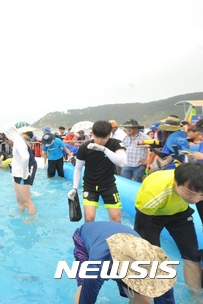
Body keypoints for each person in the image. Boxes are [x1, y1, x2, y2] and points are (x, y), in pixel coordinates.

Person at [134, 162, 203, 295]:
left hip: (179, 214)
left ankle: (196, 298)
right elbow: (141, 228)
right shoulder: (156, 191)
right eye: (189, 193)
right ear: (175, 182)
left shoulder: (198, 192)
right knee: (150, 256)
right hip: (152, 215)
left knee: (193, 256)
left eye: (200, 195)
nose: (195, 199)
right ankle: (150, 292)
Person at [72, 221, 175, 304]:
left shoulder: (160, 269)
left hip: (127, 249)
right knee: (83, 287)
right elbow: (85, 300)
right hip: (86, 240)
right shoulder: (97, 266)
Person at [68, 120, 127, 223]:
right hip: (89, 186)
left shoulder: (115, 144)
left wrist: (104, 149)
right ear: (92, 133)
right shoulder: (84, 147)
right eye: (97, 137)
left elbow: (122, 163)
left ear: (109, 134)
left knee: (116, 219)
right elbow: (78, 169)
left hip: (109, 185)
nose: (99, 141)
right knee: (89, 219)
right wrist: (74, 188)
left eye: (103, 138)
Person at [3, 124, 37, 216]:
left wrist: (24, 173)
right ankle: (20, 214)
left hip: (21, 175)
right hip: (16, 175)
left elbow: (25, 157)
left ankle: (32, 220)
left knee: (27, 201)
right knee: (19, 200)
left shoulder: (19, 142)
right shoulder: (17, 141)